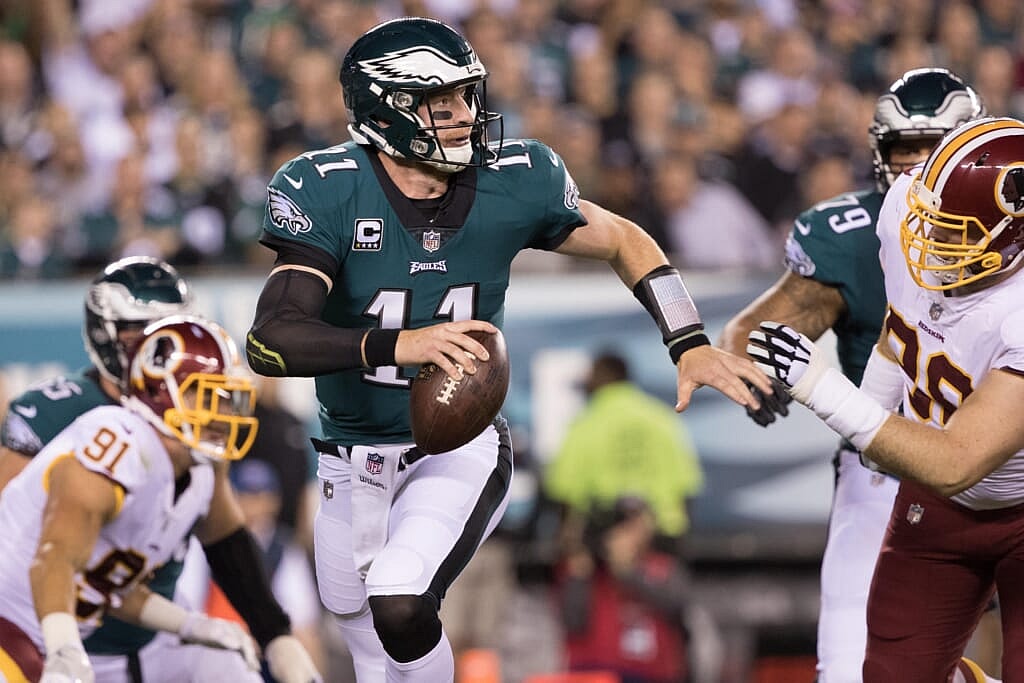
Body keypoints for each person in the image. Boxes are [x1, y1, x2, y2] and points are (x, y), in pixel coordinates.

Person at [243, 17, 774, 683]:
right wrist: (403, 343)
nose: (467, 115)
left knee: (402, 601)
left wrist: (688, 339)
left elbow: (622, 239)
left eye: (468, 97)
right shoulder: (327, 188)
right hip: (353, 455)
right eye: (444, 104)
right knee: (374, 647)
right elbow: (271, 338)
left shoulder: (514, 179)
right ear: (389, 111)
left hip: (457, 443)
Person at [719, 68, 986, 681]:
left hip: (1005, 468)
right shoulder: (847, 234)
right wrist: (749, 370)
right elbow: (753, 330)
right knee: (847, 667)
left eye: (934, 147)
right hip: (886, 464)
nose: (917, 165)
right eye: (904, 150)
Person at [0, 257, 320, 683]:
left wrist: (251, 631)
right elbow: (52, 556)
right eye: (146, 336)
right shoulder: (112, 435)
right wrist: (62, 647)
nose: (163, 345)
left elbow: (108, 579)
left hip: (122, 624)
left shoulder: (193, 456)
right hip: (32, 629)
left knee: (227, 663)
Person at [544, 351, 704, 554]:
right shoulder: (661, 418)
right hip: (661, 540)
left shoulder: (586, 424)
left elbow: (563, 489)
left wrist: (569, 543)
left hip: (603, 540)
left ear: (600, 378)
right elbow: (688, 484)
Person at [557, 496, 691, 683]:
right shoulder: (591, 572)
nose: (628, 535)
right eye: (623, 527)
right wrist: (580, 575)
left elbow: (676, 606)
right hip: (599, 673)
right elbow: (572, 622)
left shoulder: (663, 567)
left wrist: (628, 573)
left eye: (635, 525)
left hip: (653, 673)